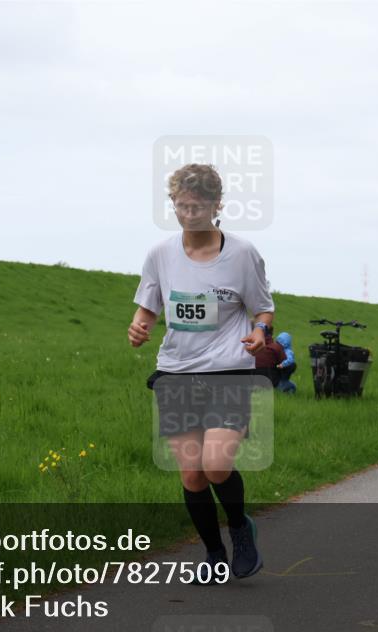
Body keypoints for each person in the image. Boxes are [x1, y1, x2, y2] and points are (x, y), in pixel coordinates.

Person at [128, 163, 272, 583]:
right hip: (175, 372)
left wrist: (261, 331)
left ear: (216, 205)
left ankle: (241, 528)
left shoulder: (242, 254)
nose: (189, 215)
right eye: (181, 206)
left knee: (216, 465)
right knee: (192, 472)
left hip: (229, 370)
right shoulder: (160, 254)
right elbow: (148, 307)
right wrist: (140, 326)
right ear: (172, 203)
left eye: (198, 207)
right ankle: (213, 554)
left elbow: (263, 308)